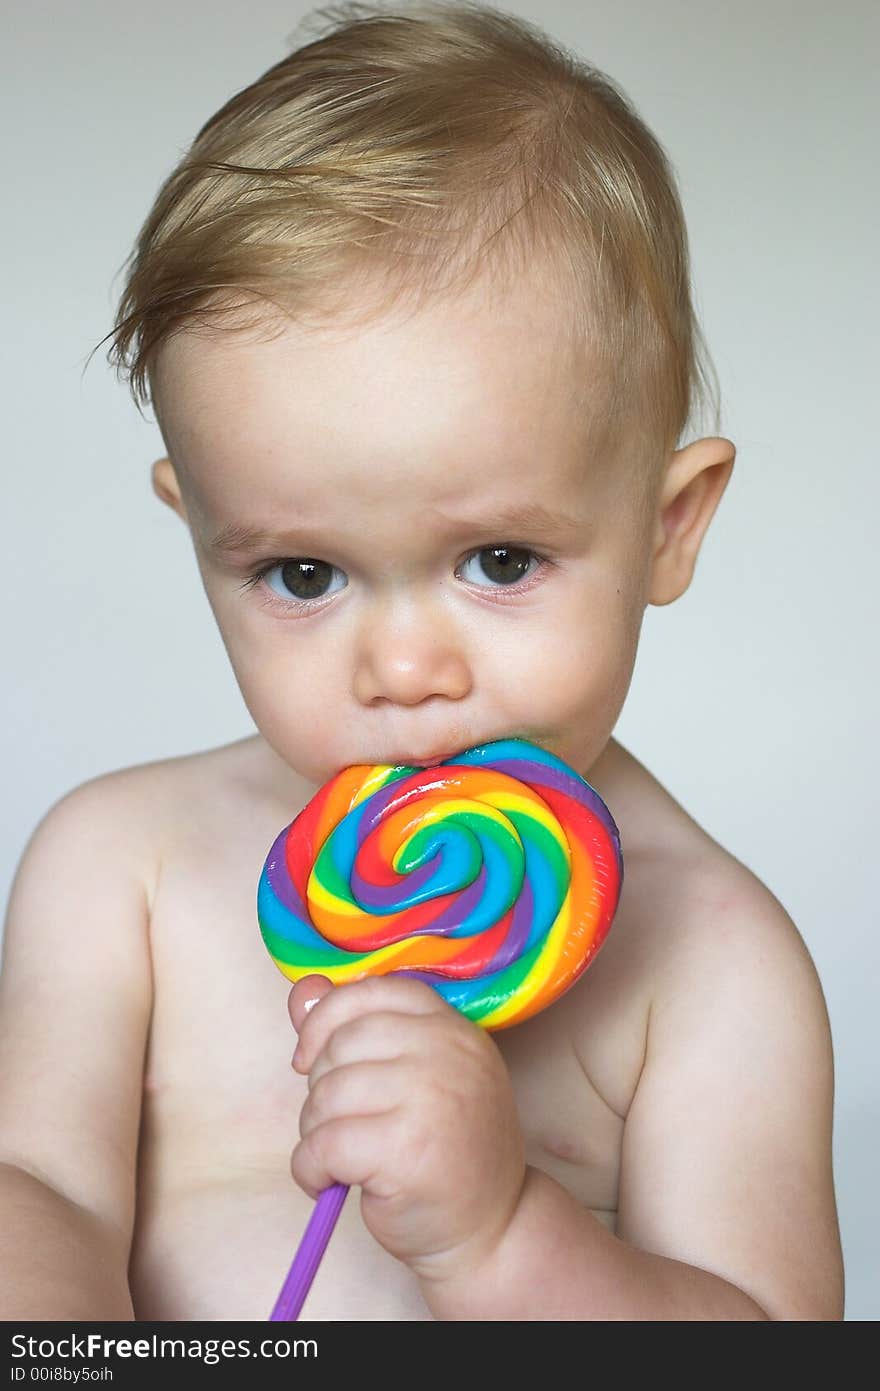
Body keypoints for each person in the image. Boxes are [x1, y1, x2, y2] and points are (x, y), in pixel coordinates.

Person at [0, 1, 844, 1320]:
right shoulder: (122, 870)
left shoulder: (714, 964)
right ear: (202, 535)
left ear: (667, 528)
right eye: (304, 574)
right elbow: (34, 1186)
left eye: (501, 561)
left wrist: (505, 1236)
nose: (402, 670)